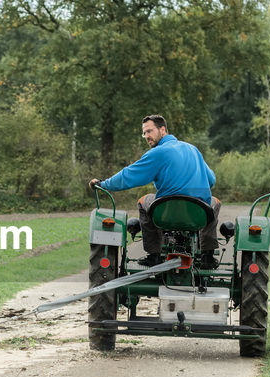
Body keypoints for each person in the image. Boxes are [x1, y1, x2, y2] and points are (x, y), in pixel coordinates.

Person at [89, 114, 220, 268]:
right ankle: (207, 255)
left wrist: (104, 184)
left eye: (149, 131)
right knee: (214, 202)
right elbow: (211, 180)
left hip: (166, 212)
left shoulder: (157, 153)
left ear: (162, 130)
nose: (146, 136)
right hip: (197, 212)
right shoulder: (193, 150)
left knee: (143, 201)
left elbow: (129, 175)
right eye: (144, 133)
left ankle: (154, 255)